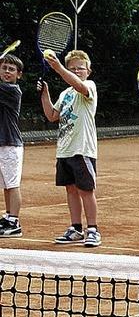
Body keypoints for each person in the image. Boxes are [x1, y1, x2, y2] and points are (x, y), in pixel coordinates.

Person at [38, 50, 101, 247]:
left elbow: (79, 85)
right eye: (72, 68)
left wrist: (58, 68)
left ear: (88, 71)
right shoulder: (65, 94)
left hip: (82, 149)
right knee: (71, 190)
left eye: (80, 68)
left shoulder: (89, 86)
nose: (76, 71)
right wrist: (44, 94)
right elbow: (52, 115)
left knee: (86, 190)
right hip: (64, 150)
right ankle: (76, 229)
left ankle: (92, 230)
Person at [0, 54, 24, 237]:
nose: (7, 71)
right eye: (4, 68)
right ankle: (8, 217)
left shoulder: (12, 90)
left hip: (10, 144)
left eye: (11, 69)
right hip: (2, 143)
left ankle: (14, 221)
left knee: (12, 184)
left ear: (19, 75)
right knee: (6, 185)